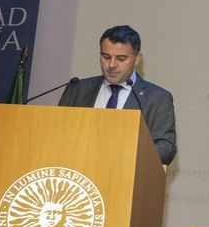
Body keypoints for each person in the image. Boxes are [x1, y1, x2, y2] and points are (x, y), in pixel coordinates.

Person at [58, 25, 176, 165]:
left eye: (121, 58)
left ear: (137, 59)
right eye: (106, 57)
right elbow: (57, 134)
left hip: (126, 173)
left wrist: (121, 155)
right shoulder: (77, 89)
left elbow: (166, 149)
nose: (111, 65)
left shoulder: (157, 98)